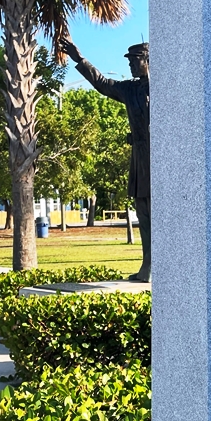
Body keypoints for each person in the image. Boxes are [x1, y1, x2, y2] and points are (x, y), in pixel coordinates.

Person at [63, 38, 151, 282]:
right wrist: (80, 60)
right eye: (130, 62)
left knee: (161, 214)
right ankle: (148, 267)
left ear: (148, 61)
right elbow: (102, 83)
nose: (131, 66)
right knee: (143, 213)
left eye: (135, 61)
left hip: (164, 158)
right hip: (141, 158)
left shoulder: (168, 86)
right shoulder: (130, 89)